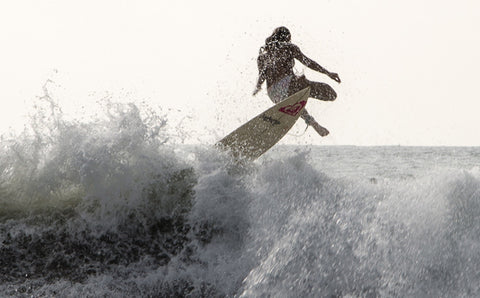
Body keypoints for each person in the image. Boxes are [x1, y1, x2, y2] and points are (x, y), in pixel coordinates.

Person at [253, 26, 341, 136]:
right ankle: (312, 121)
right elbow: (308, 62)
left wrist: (257, 87)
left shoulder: (262, 57)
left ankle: (313, 123)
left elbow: (263, 75)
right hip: (288, 86)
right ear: (287, 38)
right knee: (329, 93)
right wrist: (327, 73)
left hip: (273, 94)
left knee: (297, 102)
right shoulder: (289, 48)